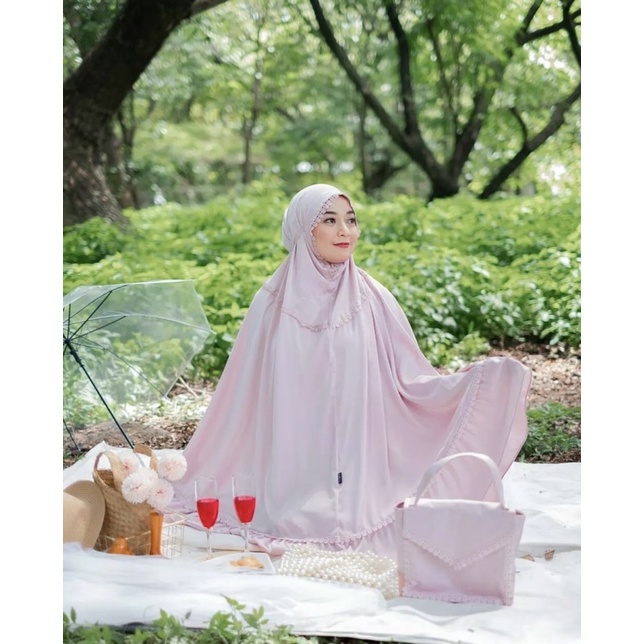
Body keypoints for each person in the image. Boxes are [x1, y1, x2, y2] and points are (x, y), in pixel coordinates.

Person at [172, 183, 532, 559]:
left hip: (361, 453)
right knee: (291, 508)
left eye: (351, 220)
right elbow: (241, 394)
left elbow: (408, 379)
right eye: (330, 220)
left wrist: (480, 382)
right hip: (290, 451)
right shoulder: (271, 303)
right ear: (304, 229)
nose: (345, 231)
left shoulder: (373, 297)